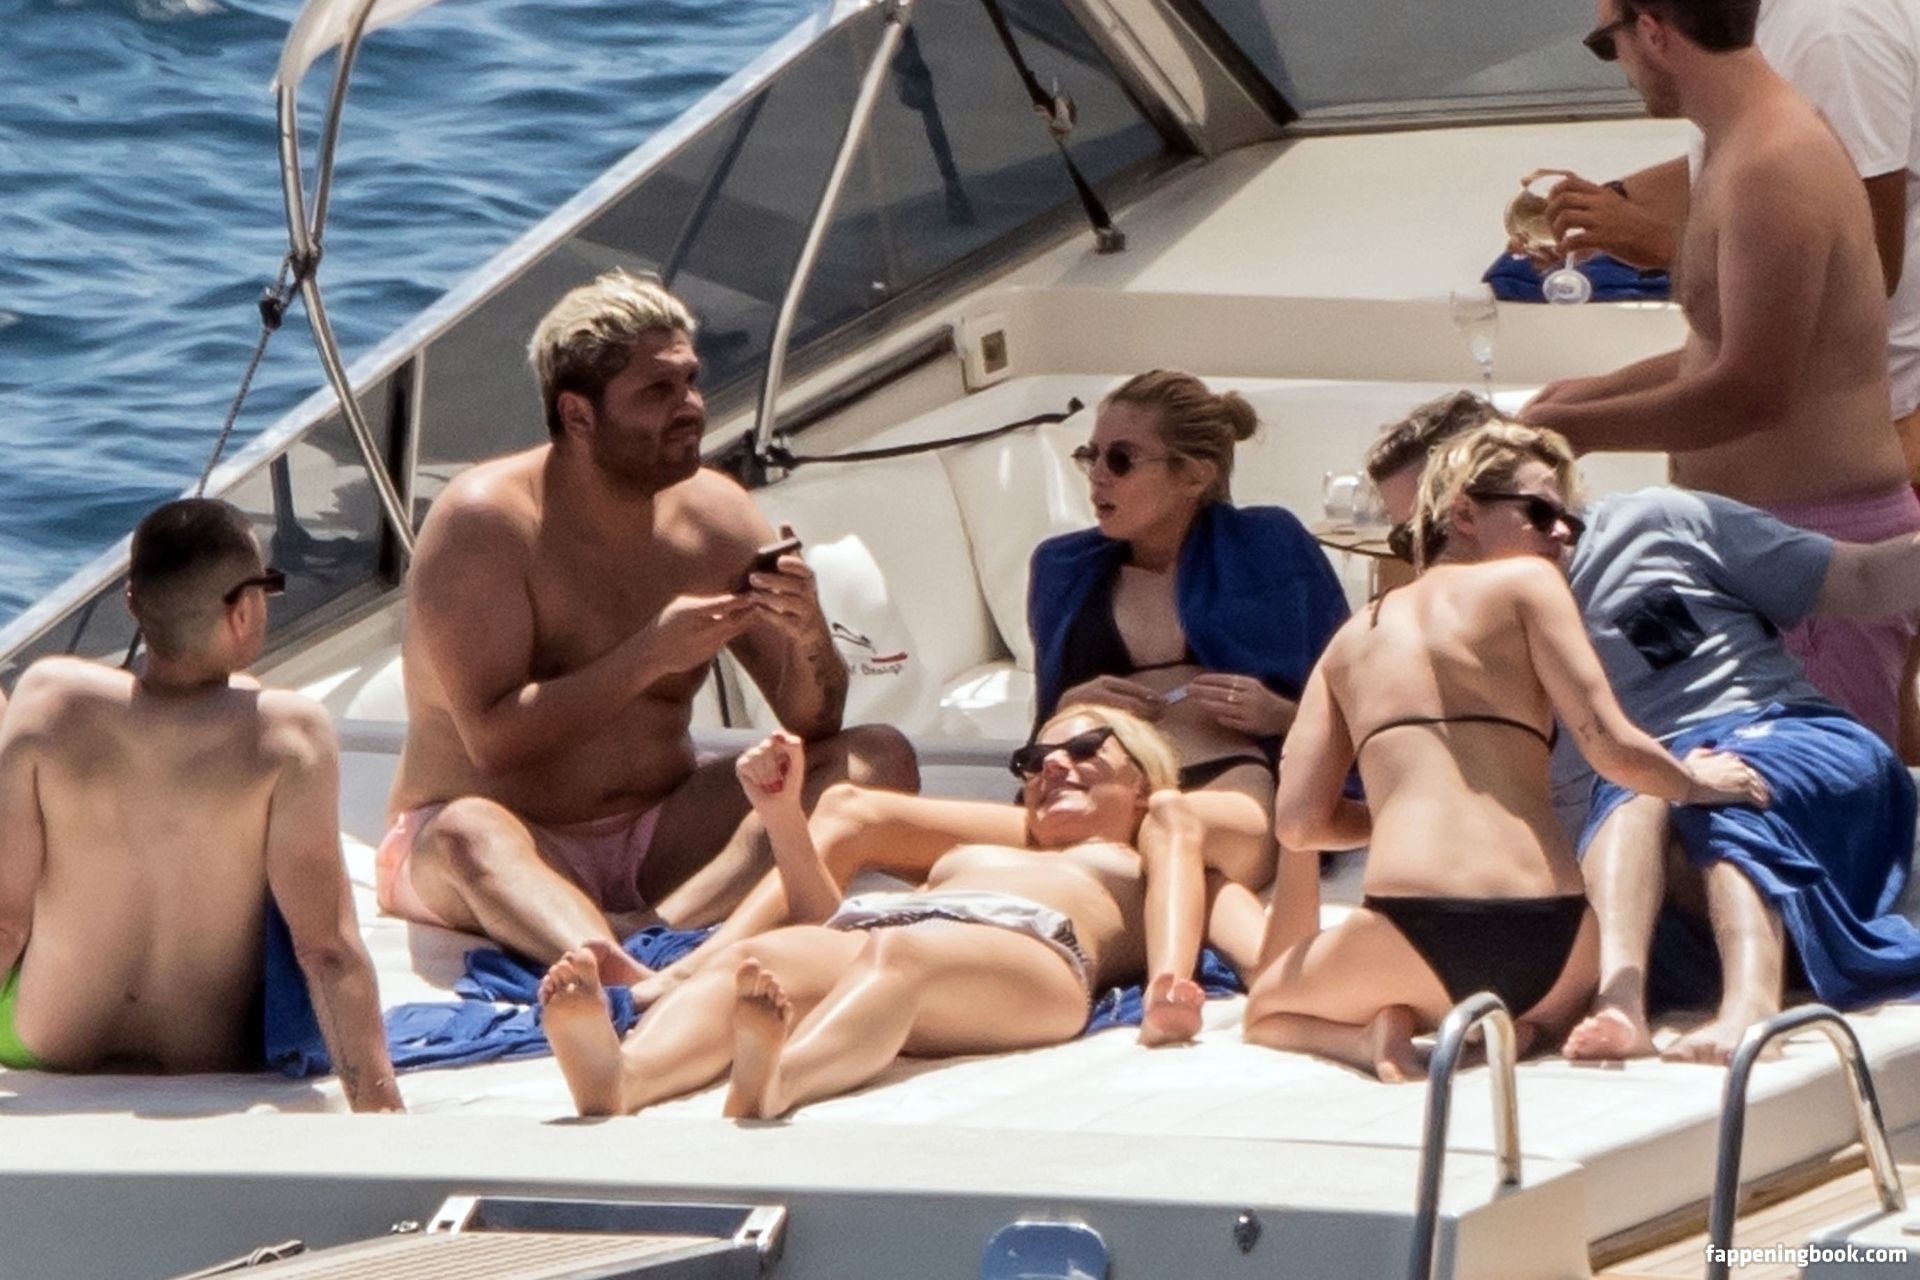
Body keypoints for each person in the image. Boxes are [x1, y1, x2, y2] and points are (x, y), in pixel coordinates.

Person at [382, 271, 918, 971]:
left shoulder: (717, 517)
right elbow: (495, 743)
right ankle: (614, 960)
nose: (690, 407)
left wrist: (808, 632)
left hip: (662, 834)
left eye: (690, 381)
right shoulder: (486, 523)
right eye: (657, 391)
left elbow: (812, 721)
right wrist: (648, 657)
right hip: (507, 837)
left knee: (876, 758)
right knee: (467, 836)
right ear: (578, 415)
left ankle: (651, 935)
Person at [1369, 419, 1920, 1064]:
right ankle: (1618, 1006)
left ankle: (1750, 1008)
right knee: (1639, 788)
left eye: (1554, 509)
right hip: (1653, 844)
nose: (1428, 553)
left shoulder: (1661, 523)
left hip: (1783, 742)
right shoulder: (1441, 647)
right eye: (1409, 537)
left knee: (1707, 783)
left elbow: (1861, 580)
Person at [1245, 426, 1766, 1082]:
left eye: (1570, 521)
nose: (1562, 534)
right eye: (1541, 513)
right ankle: (1527, 1030)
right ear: (1463, 513)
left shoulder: (1350, 640)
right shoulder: (1527, 584)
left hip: (1411, 935)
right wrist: (1694, 781)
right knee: (1551, 1011)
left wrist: (1399, 814)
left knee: (1266, 1010)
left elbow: (1298, 823)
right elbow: (1609, 744)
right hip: (1559, 942)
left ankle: (1372, 1037)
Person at [1521, 0, 1919, 749]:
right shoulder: (1740, 144)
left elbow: (1754, 391)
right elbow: (1730, 345)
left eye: (1607, 45)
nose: (1620, 69)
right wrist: (1590, 395)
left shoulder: (1774, 162)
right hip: (1754, 547)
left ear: (1652, 31)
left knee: (1812, 810)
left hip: (1813, 556)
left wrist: (1570, 429)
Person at [536, 706, 1187, 1117]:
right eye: (1033, 762)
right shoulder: (980, 852)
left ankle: (781, 1080)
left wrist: (1171, 986)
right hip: (890, 932)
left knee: (903, 956)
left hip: (1035, 958)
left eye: (1085, 748)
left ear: (1142, 782)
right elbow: (819, 916)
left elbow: (1219, 902)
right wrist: (781, 815)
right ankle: (624, 1078)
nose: (1054, 767)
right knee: (755, 958)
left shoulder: (1152, 850)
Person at [0, 499, 401, 1110]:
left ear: (131, 602)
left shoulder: (47, 702)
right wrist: (382, 1112)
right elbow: (325, 949)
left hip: (52, 1041)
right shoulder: (288, 737)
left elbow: (5, 924)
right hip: (206, 1053)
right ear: (243, 610)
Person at [1025, 370, 1347, 1006]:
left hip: (1222, 781)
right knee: (1186, 865)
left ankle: (1168, 989)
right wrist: (1070, 705)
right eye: (1091, 455)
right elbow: (1045, 725)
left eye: (1121, 459)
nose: (1097, 476)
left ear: (1194, 476)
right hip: (1101, 788)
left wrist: (1282, 715)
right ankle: (1279, 981)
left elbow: (1347, 689)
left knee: (1172, 828)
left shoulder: (1269, 545)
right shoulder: (1061, 567)